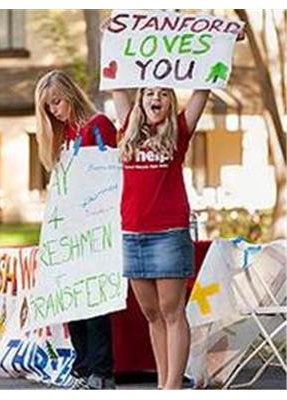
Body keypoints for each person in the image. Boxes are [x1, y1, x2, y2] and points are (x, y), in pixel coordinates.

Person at [111, 86, 210, 389]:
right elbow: (117, 79)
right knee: (152, 314)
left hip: (168, 233)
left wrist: (226, 38)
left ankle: (172, 387)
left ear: (171, 100)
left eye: (164, 94)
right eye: (150, 93)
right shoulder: (128, 127)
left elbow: (203, 90)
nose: (157, 99)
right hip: (133, 234)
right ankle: (163, 384)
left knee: (171, 312)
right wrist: (111, 37)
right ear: (140, 99)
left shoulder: (179, 130)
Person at [34, 70, 118, 390]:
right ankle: (82, 367)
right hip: (68, 230)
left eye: (56, 102)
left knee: (93, 301)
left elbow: (106, 175)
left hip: (95, 227)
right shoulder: (63, 135)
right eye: (48, 107)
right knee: (72, 301)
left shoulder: (98, 126)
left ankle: (101, 369)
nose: (54, 110)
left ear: (70, 95)